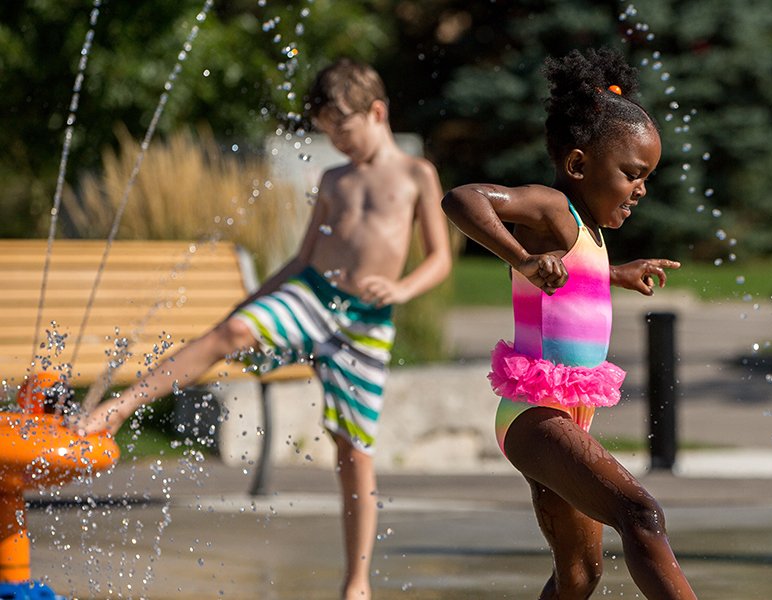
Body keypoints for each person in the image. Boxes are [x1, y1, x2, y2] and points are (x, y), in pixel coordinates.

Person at [77, 57, 453, 600]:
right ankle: (119, 406)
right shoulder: (334, 178)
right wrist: (251, 303)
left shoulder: (417, 175)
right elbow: (302, 258)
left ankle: (357, 583)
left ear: (377, 112)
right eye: (328, 133)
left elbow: (441, 259)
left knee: (354, 451)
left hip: (368, 323)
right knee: (229, 334)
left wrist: (404, 288)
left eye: (343, 131)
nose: (338, 143)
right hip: (314, 296)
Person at [442, 47, 696, 600]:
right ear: (579, 165)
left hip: (567, 417)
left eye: (646, 177)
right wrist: (519, 257)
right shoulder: (553, 208)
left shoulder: (585, 228)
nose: (642, 190)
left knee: (580, 576)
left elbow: (570, 284)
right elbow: (462, 198)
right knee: (640, 513)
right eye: (632, 174)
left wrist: (616, 274)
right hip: (536, 418)